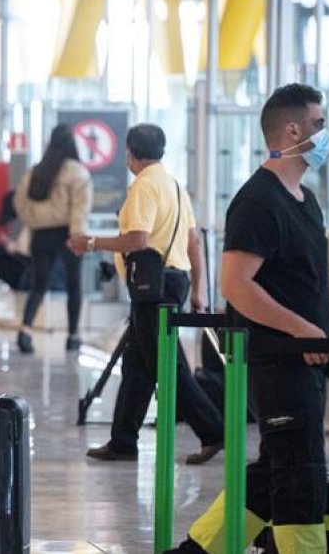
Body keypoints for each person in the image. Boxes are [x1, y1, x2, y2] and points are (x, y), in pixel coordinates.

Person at [169, 83, 329, 554]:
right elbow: (237, 284)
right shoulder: (258, 202)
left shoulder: (304, 199)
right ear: (293, 129)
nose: (325, 134)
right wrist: (299, 328)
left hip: (305, 359)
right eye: (319, 125)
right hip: (279, 359)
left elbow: (311, 282)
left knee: (271, 473)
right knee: (301, 477)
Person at [72, 124, 223, 465]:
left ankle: (213, 431)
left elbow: (138, 240)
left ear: (129, 153)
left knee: (168, 365)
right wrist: (197, 289)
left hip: (154, 288)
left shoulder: (143, 186)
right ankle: (123, 440)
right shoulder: (174, 186)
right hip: (173, 282)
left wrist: (92, 243)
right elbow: (194, 241)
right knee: (137, 366)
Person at [13, 124, 92, 353]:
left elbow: (20, 202)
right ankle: (73, 336)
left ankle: (25, 331)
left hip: (41, 235)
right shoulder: (77, 172)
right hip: (68, 233)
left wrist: (34, 222)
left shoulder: (37, 170)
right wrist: (77, 237)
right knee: (73, 284)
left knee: (39, 284)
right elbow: (80, 208)